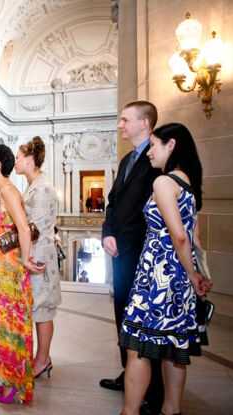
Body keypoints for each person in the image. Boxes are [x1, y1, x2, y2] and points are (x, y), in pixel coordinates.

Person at [119, 123, 211, 415]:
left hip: (158, 278)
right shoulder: (188, 184)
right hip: (180, 279)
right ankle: (171, 410)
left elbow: (179, 236)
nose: (149, 153)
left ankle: (129, 411)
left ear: (171, 145)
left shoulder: (162, 183)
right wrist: (198, 275)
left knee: (138, 347)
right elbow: (195, 239)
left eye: (154, 146)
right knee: (174, 349)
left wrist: (193, 275)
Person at [100, 101, 164, 415]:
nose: (120, 125)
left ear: (145, 123)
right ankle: (130, 375)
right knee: (122, 313)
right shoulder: (127, 159)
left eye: (126, 120)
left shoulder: (157, 159)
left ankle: (153, 390)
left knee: (145, 321)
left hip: (143, 252)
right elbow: (113, 202)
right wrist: (107, 233)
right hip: (120, 251)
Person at [0, 144, 44, 405]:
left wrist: (26, 260)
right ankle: (9, 379)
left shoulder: (7, 190)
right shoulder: (0, 189)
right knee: (6, 322)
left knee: (12, 324)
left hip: (9, 265)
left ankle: (16, 384)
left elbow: (24, 229)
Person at [15, 137, 62, 380]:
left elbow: (36, 227)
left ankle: (43, 359)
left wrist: (12, 236)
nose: (15, 162)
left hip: (39, 254)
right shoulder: (33, 185)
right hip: (33, 251)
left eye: (18, 158)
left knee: (42, 309)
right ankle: (41, 357)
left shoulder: (42, 188)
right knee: (36, 307)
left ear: (30, 160)